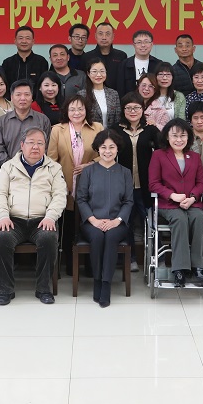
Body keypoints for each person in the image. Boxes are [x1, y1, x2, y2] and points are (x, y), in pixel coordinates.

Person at [0, 128, 67, 305]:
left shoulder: (54, 168)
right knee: (1, 238)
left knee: (48, 238)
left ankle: (43, 289)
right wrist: (3, 216)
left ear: (45, 146)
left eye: (40, 143)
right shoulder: (8, 167)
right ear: (22, 145)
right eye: (31, 143)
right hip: (13, 220)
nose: (35, 147)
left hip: (42, 220)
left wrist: (51, 217)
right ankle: (6, 290)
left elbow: (60, 195)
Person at [75, 130, 133, 307]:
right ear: (97, 149)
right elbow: (81, 199)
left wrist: (116, 221)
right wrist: (93, 220)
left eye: (112, 147)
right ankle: (97, 281)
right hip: (92, 222)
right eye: (103, 147)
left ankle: (106, 284)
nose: (108, 151)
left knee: (111, 236)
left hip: (117, 222)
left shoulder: (125, 172)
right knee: (98, 236)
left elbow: (128, 201)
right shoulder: (88, 171)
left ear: (117, 149)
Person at [47, 95, 103, 275]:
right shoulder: (57, 130)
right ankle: (71, 266)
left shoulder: (97, 128)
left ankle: (91, 266)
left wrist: (90, 165)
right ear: (66, 111)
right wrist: (59, 183)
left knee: (90, 224)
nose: (76, 112)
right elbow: (51, 160)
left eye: (80, 109)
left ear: (87, 110)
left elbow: (106, 154)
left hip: (92, 185)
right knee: (69, 226)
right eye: (72, 109)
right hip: (66, 185)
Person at [148, 119, 203, 287]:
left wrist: (193, 197)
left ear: (188, 137)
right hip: (168, 204)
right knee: (180, 219)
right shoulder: (158, 155)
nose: (179, 139)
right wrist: (172, 195)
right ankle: (179, 270)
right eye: (175, 135)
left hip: (191, 203)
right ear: (167, 137)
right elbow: (153, 184)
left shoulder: (194, 157)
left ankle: (197, 267)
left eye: (183, 136)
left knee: (199, 218)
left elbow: (200, 183)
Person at [113, 93, 160, 272]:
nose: (133, 111)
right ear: (123, 110)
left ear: (143, 109)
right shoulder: (115, 130)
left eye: (137, 108)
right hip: (123, 187)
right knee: (126, 223)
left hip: (146, 186)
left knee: (150, 221)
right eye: (129, 108)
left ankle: (157, 257)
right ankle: (129, 258)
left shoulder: (151, 130)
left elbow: (163, 151)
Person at [0, 79, 52, 165]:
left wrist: (34, 165)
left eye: (27, 94)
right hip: (10, 169)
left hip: (37, 169)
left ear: (32, 97)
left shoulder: (43, 120)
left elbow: (47, 148)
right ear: (11, 98)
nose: (23, 98)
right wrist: (12, 167)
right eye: (18, 94)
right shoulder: (1, 122)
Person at [116, 29, 163, 96]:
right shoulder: (124, 65)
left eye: (146, 42)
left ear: (152, 44)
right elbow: (120, 89)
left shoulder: (159, 64)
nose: (143, 45)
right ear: (133, 45)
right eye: (139, 42)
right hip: (130, 101)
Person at [85, 21, 128, 87]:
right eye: (100, 34)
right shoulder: (87, 57)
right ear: (95, 36)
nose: (104, 37)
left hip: (117, 93)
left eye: (108, 34)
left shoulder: (121, 56)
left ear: (113, 36)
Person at [85, 57, 120, 128]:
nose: (99, 75)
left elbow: (117, 119)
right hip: (91, 133)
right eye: (94, 71)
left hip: (111, 133)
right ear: (88, 74)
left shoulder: (113, 94)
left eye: (102, 71)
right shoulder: (82, 95)